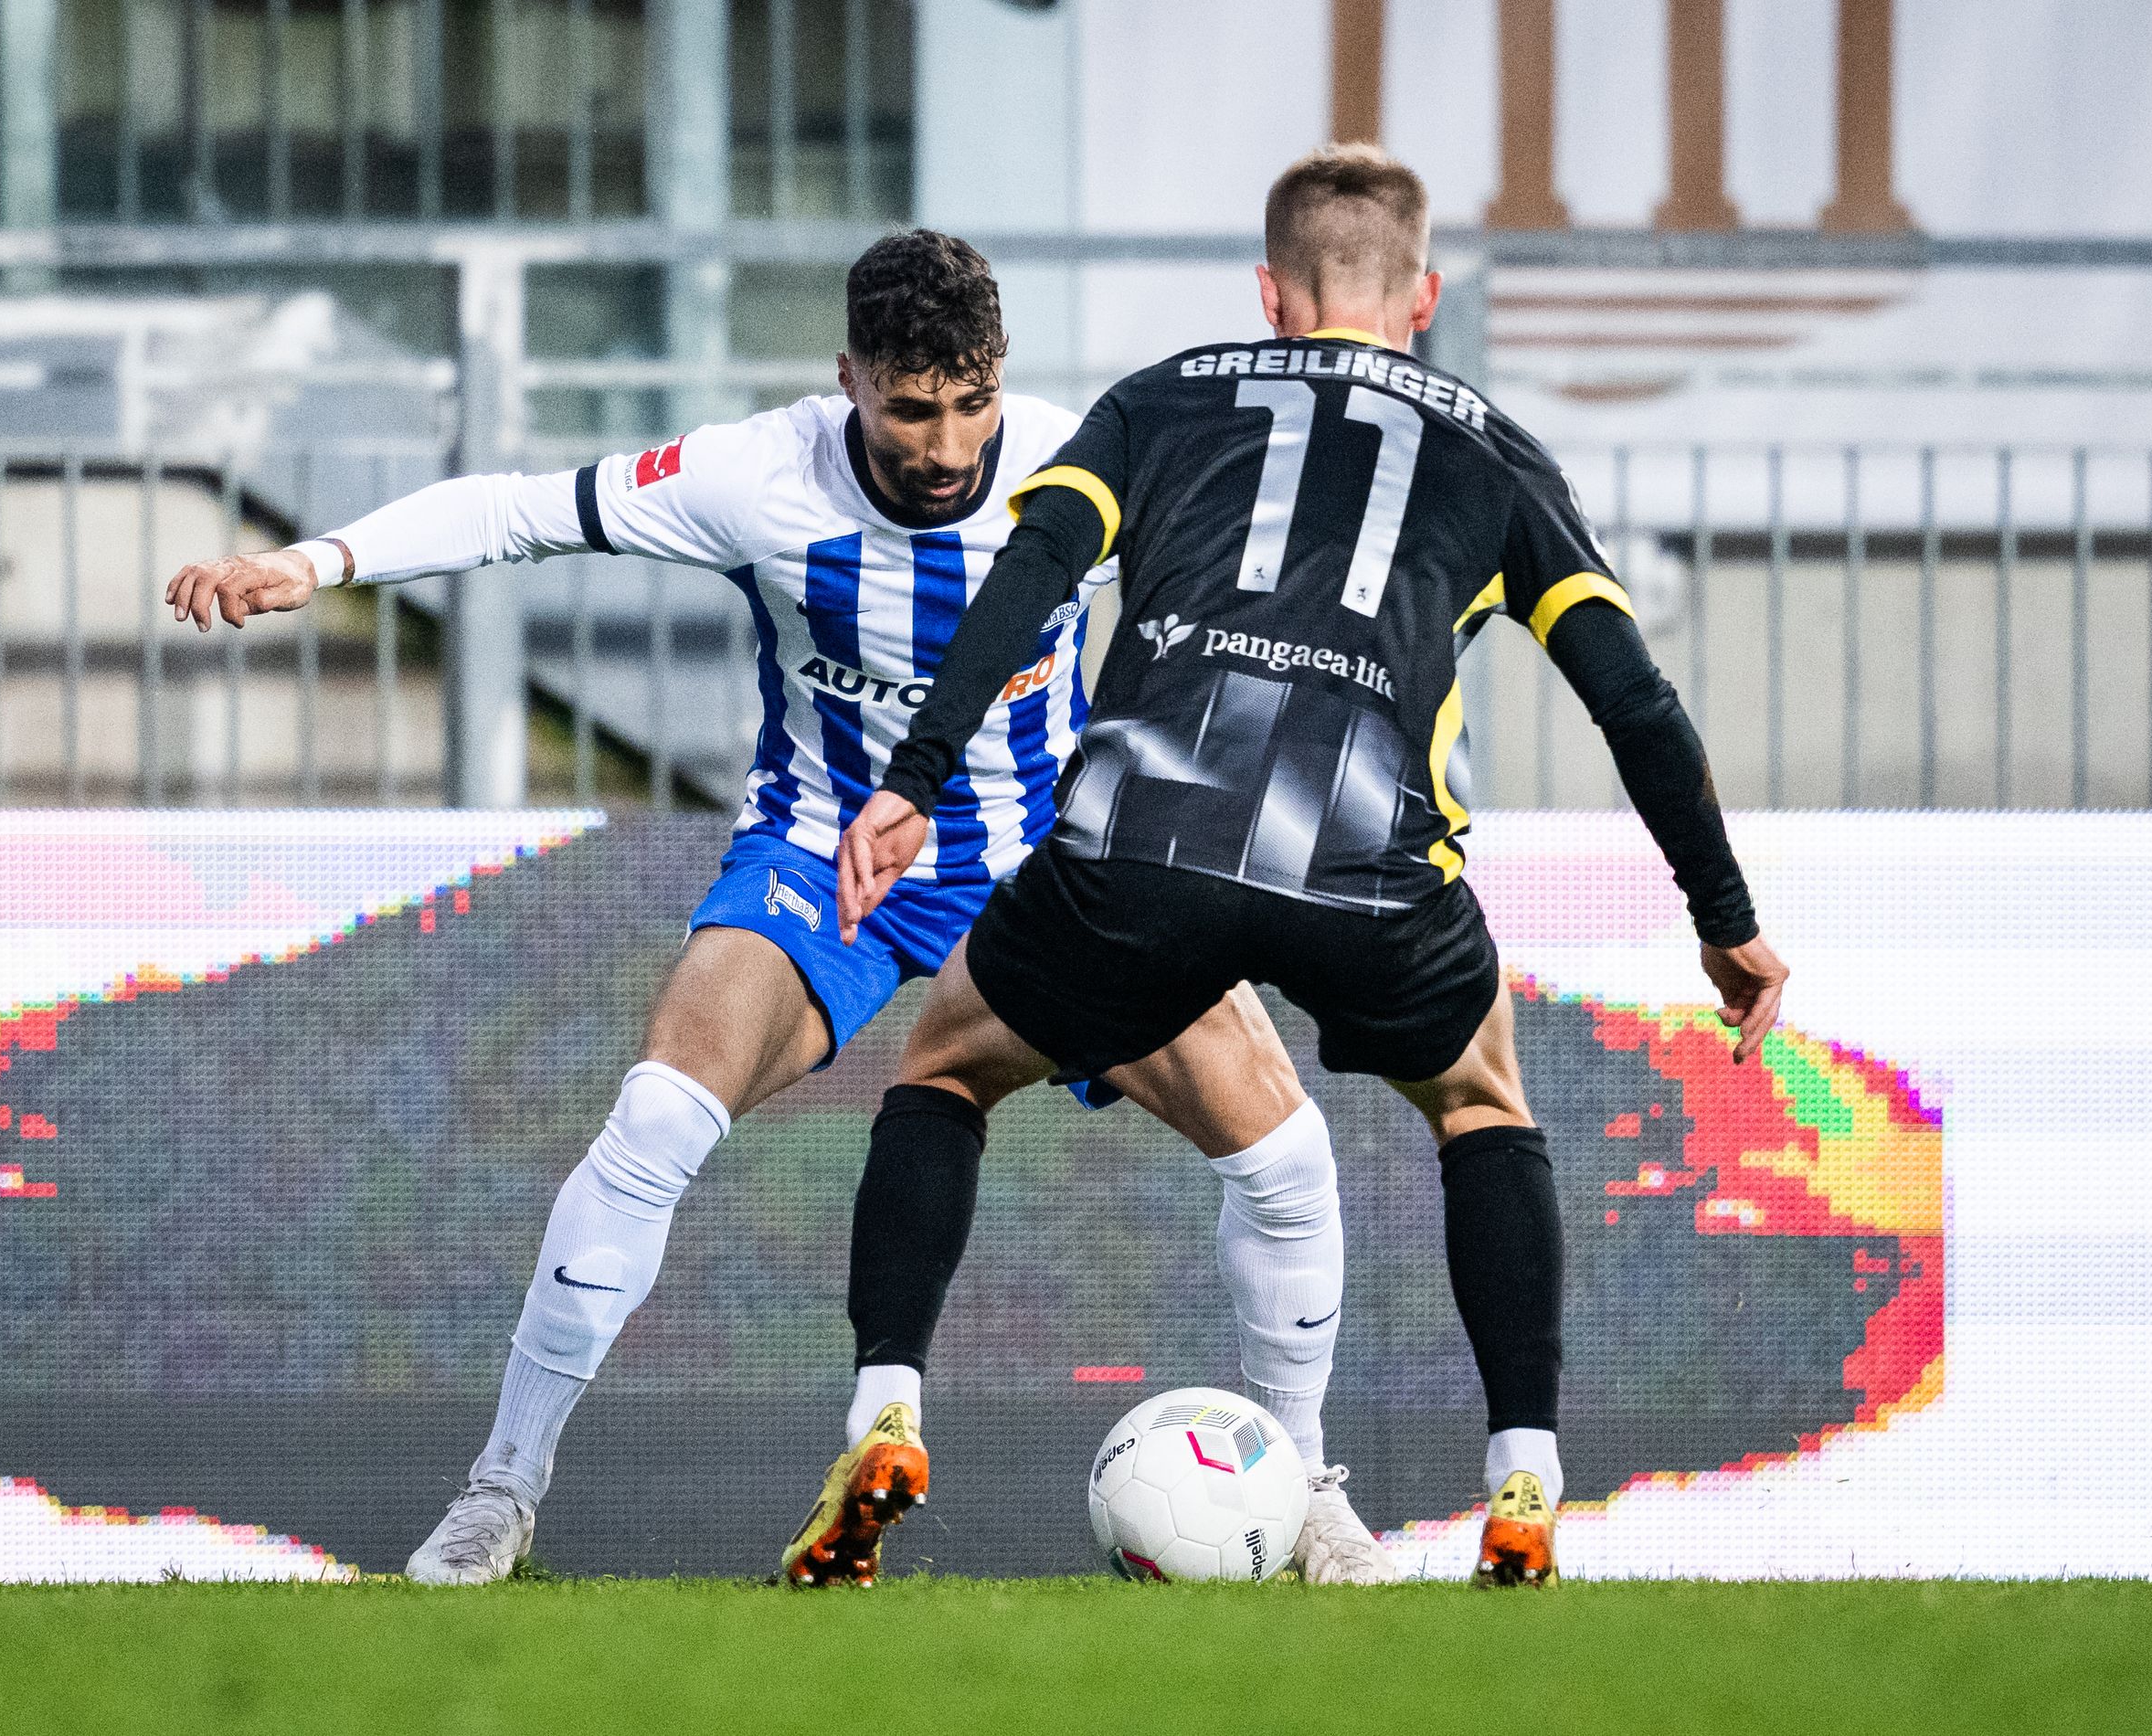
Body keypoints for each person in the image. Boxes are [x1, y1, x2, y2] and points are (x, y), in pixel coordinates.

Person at [163, 230, 1382, 1588]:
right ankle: (498, 1497)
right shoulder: (757, 478)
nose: (944, 441)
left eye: (970, 402)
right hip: (820, 853)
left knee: (1284, 1151)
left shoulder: (1077, 463)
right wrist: (322, 564)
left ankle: (1311, 1495)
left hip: (1048, 868)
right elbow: (520, 510)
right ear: (848, 378)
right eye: (911, 407)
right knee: (655, 1117)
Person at [832, 146, 1792, 1589]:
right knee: (1482, 1101)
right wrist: (1725, 923)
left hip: (1142, 839)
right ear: (1426, 296)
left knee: (943, 1070)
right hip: (1367, 859)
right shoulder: (1497, 453)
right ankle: (1525, 1479)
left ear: (1270, 295)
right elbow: (1636, 705)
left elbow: (1026, 580)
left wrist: (912, 784)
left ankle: (886, 1411)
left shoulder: (1157, 399)